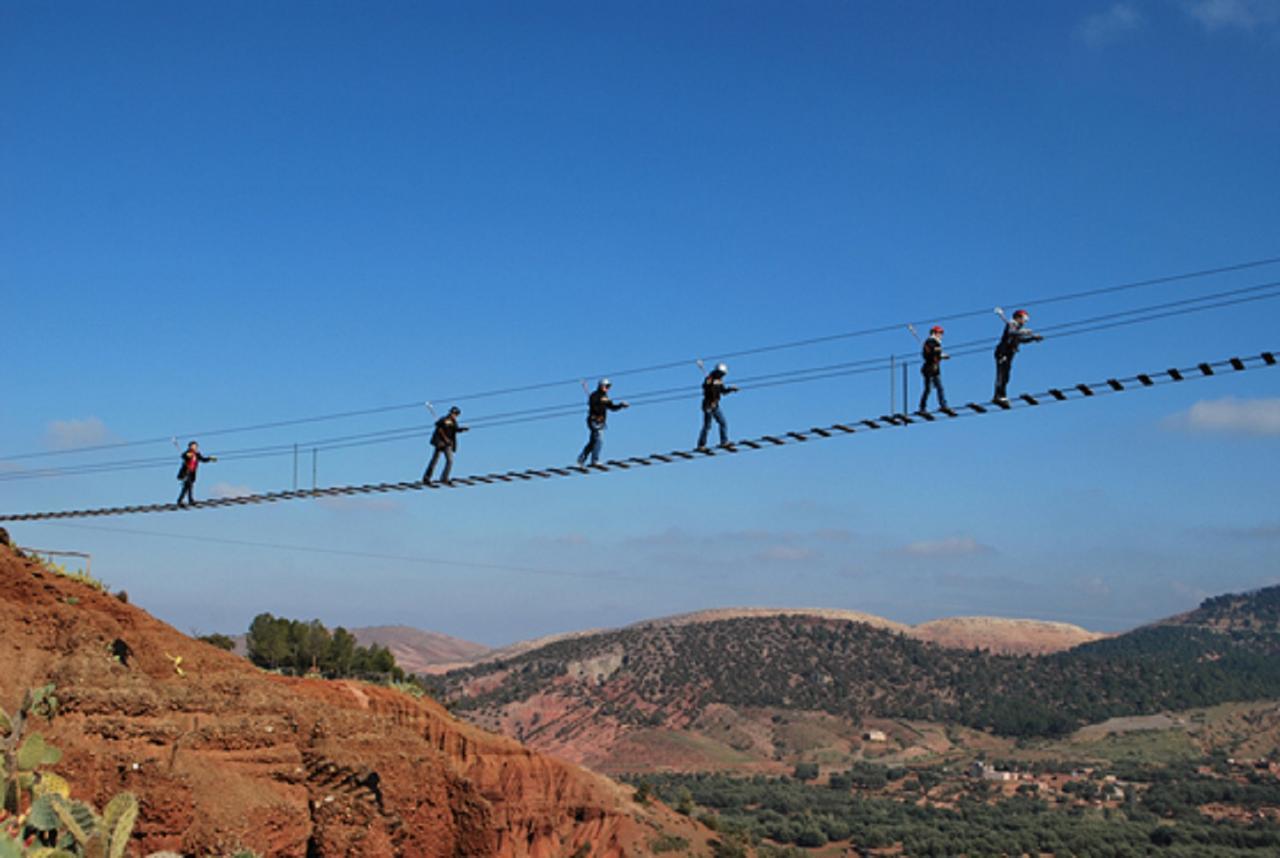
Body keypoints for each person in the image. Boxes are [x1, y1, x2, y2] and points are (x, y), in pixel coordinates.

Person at [993, 309, 1044, 401]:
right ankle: (998, 396)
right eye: (1024, 319)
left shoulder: (1018, 328)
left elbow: (1021, 340)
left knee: (1006, 376)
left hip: (1010, 354)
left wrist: (1032, 338)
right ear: (1018, 317)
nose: (1025, 321)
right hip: (1003, 353)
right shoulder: (1012, 324)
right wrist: (1024, 332)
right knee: (1002, 375)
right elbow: (1011, 332)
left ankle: (1002, 395)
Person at [577, 379, 628, 466]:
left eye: (609, 387)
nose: (608, 388)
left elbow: (612, 407)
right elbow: (593, 406)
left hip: (600, 422)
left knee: (593, 442)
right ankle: (595, 460)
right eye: (606, 386)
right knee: (599, 440)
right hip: (594, 421)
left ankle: (581, 458)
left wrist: (620, 405)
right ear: (601, 386)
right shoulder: (594, 395)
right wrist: (598, 413)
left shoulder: (605, 397)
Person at [697, 363, 738, 449]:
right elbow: (705, 389)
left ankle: (724, 442)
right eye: (721, 374)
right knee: (707, 426)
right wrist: (711, 383)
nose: (722, 376)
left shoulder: (719, 381)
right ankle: (701, 445)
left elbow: (723, 391)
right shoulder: (709, 379)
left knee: (723, 423)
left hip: (715, 405)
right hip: (708, 405)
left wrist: (731, 389)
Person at [423, 406, 468, 485]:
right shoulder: (445, 419)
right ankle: (427, 478)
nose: (454, 415)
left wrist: (462, 429)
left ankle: (444, 477)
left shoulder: (453, 422)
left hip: (447, 444)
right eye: (453, 414)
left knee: (449, 461)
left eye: (456, 414)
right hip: (441, 443)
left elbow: (455, 429)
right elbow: (439, 427)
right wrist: (445, 437)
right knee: (435, 461)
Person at [176, 441, 216, 506]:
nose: (195, 447)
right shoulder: (188, 453)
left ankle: (180, 500)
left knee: (187, 487)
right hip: (186, 472)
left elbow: (203, 459)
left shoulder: (197, 454)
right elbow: (183, 456)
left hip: (192, 473)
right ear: (190, 447)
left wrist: (210, 458)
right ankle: (190, 500)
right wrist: (187, 455)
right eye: (193, 446)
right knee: (189, 486)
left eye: (196, 446)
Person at [919, 326, 949, 412]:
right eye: (939, 333)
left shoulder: (936, 343)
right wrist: (935, 351)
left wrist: (942, 356)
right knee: (928, 389)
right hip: (929, 369)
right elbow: (928, 354)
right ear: (934, 333)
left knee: (939, 387)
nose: (941, 335)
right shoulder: (930, 342)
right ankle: (922, 407)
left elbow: (936, 354)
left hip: (935, 369)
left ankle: (943, 404)